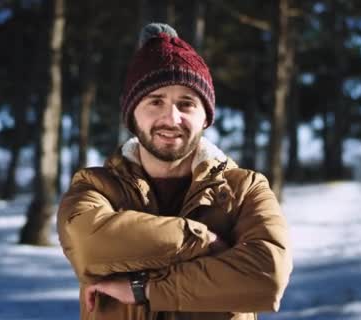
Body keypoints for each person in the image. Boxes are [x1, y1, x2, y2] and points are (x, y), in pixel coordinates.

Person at [57, 22, 293, 320]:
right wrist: (203, 241)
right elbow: (88, 247)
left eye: (187, 103)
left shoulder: (245, 189)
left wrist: (143, 289)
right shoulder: (94, 187)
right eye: (155, 101)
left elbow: (267, 276)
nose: (172, 118)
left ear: (206, 117)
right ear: (131, 116)